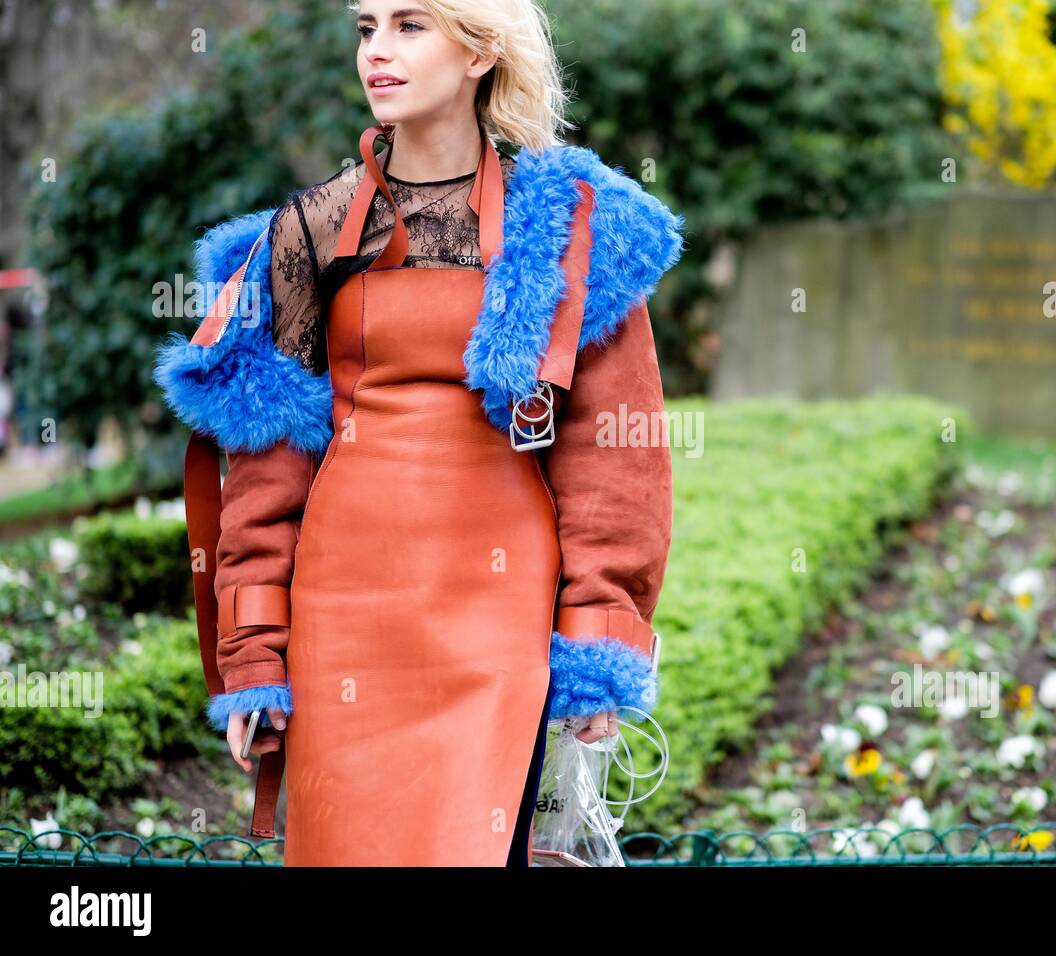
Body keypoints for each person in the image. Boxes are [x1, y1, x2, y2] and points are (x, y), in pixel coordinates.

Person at [153, 0, 684, 866]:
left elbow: (613, 465)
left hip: (499, 615)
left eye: (410, 25)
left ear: (479, 52)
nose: (378, 52)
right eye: (367, 28)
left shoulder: (571, 224)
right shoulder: (308, 232)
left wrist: (598, 640)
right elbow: (265, 469)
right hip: (343, 613)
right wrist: (252, 652)